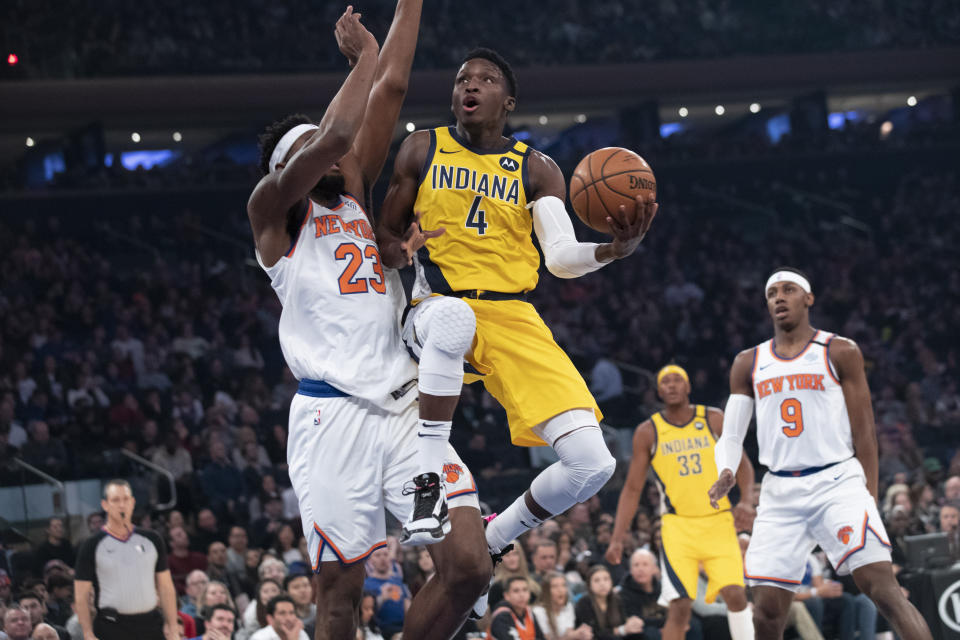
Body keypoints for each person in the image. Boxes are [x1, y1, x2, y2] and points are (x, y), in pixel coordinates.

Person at [247, 3, 489, 639]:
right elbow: (331, 136)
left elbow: (392, 90)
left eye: (336, 156)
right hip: (332, 420)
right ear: (283, 173)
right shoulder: (271, 216)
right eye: (305, 154)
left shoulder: (351, 194)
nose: (333, 159)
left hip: (404, 410)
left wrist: (409, 7)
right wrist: (363, 55)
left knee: (468, 566)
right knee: (339, 599)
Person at [377, 47, 658, 551]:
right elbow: (386, 240)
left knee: (594, 464)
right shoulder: (422, 148)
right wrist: (402, 251)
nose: (471, 85)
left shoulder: (536, 168)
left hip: (512, 314)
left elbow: (560, 258)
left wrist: (612, 250)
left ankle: (497, 537)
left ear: (508, 102)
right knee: (454, 319)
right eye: (463, 78)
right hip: (435, 305)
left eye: (485, 79)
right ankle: (427, 483)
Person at [708, 267, 932, 640]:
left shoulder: (839, 350)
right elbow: (731, 433)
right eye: (772, 293)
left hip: (836, 482)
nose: (779, 297)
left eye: (788, 290)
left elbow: (865, 433)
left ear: (808, 298)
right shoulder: (748, 362)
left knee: (882, 590)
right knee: (765, 612)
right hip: (780, 491)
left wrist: (870, 495)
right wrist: (726, 469)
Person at [605, 365, 755, 640]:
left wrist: (746, 501)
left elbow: (742, 464)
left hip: (719, 521)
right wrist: (617, 537)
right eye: (665, 382)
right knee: (680, 605)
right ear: (658, 391)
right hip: (677, 527)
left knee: (735, 593)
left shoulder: (713, 418)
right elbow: (632, 488)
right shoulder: (648, 431)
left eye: (677, 380)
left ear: (688, 387)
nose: (672, 385)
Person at [73, 479, 179, 640]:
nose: (121, 504)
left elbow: (166, 587)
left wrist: (172, 627)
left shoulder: (152, 539)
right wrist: (87, 633)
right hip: (112, 626)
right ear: (105, 505)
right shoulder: (92, 545)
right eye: (115, 500)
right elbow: (81, 595)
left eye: (125, 499)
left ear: (132, 502)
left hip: (150, 624)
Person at [574, 566, 645, 639]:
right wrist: (620, 630)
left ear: (611, 582)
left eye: (606, 579)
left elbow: (623, 622)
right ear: (589, 585)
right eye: (596, 580)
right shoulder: (583, 603)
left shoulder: (617, 599)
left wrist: (631, 622)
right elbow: (593, 633)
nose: (602, 584)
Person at [363, 548, 410, 639]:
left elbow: (407, 606)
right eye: (377, 555)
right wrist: (382, 598)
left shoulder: (398, 580)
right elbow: (364, 613)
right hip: (380, 629)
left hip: (403, 627)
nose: (382, 558)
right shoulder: (366, 584)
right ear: (370, 560)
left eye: (385, 554)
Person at [532, 572, 592, 640]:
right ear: (546, 591)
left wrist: (581, 634)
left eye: (563, 585)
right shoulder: (538, 612)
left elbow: (569, 633)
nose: (560, 590)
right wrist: (574, 635)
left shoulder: (568, 607)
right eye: (554, 586)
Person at [488, 576, 545, 640]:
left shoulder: (529, 613)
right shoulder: (501, 615)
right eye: (516, 591)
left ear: (529, 593)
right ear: (506, 595)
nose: (521, 595)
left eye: (525, 590)